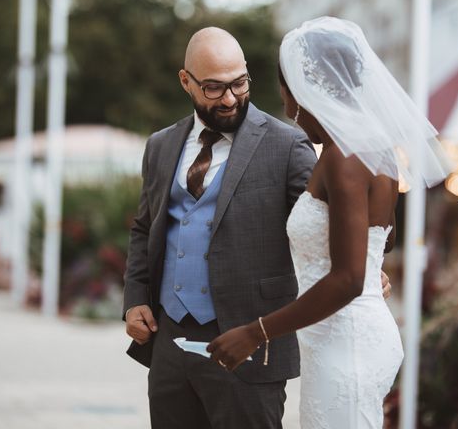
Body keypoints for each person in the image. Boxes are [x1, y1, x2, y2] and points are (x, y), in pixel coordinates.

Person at [123, 26, 392, 429]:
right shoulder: (160, 146)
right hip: (169, 343)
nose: (230, 98)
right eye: (213, 88)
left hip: (250, 349)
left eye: (239, 83)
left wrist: (367, 269)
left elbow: (336, 221)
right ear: (186, 81)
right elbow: (144, 228)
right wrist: (135, 297)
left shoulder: (288, 145)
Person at [207, 17, 450, 428]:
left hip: (348, 344)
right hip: (344, 338)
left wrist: (257, 331)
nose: (284, 103)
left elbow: (349, 278)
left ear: (300, 90)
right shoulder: (374, 150)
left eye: (283, 89)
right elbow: (382, 240)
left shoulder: (345, 158)